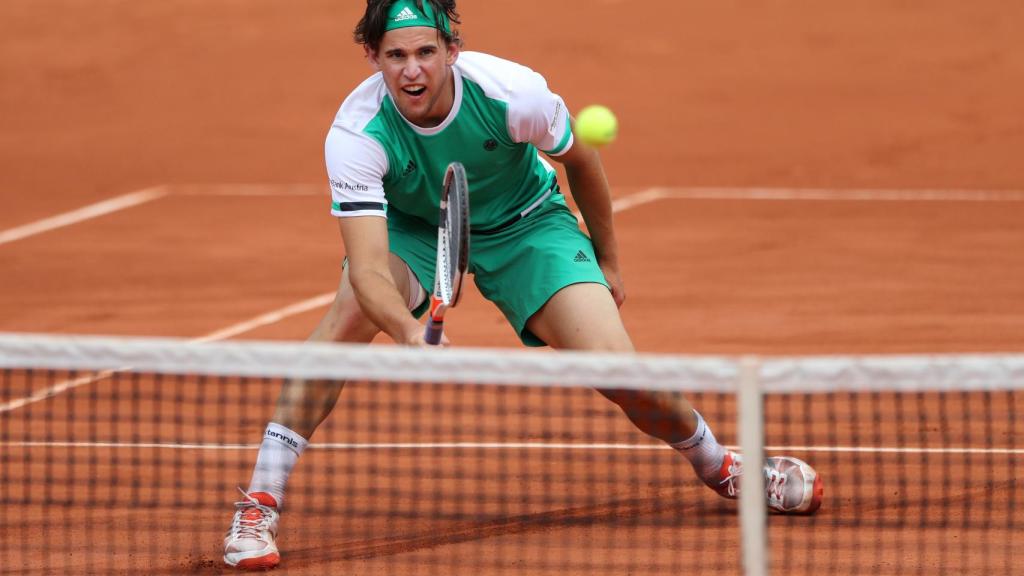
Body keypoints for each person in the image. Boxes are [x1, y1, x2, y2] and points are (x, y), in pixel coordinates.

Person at [222, 0, 823, 570]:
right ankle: (258, 506)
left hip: (527, 223)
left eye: (426, 52)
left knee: (625, 374)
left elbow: (581, 160)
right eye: (396, 56)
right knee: (342, 326)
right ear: (373, 58)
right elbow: (370, 269)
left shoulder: (511, 93)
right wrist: (408, 332)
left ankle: (721, 465)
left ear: (452, 49)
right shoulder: (357, 134)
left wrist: (608, 262)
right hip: (414, 227)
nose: (412, 70)